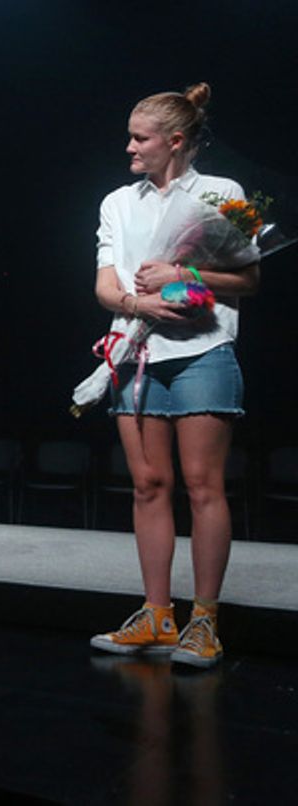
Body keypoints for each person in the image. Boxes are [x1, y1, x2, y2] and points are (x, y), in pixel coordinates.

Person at [88, 83, 259, 668]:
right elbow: (106, 287)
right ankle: (157, 613)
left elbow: (247, 281)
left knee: (203, 486)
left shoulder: (221, 193)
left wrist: (182, 273)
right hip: (135, 354)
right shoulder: (118, 202)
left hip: (202, 353)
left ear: (176, 141)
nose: (130, 148)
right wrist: (138, 305)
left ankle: (203, 620)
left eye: (141, 139)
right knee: (147, 486)